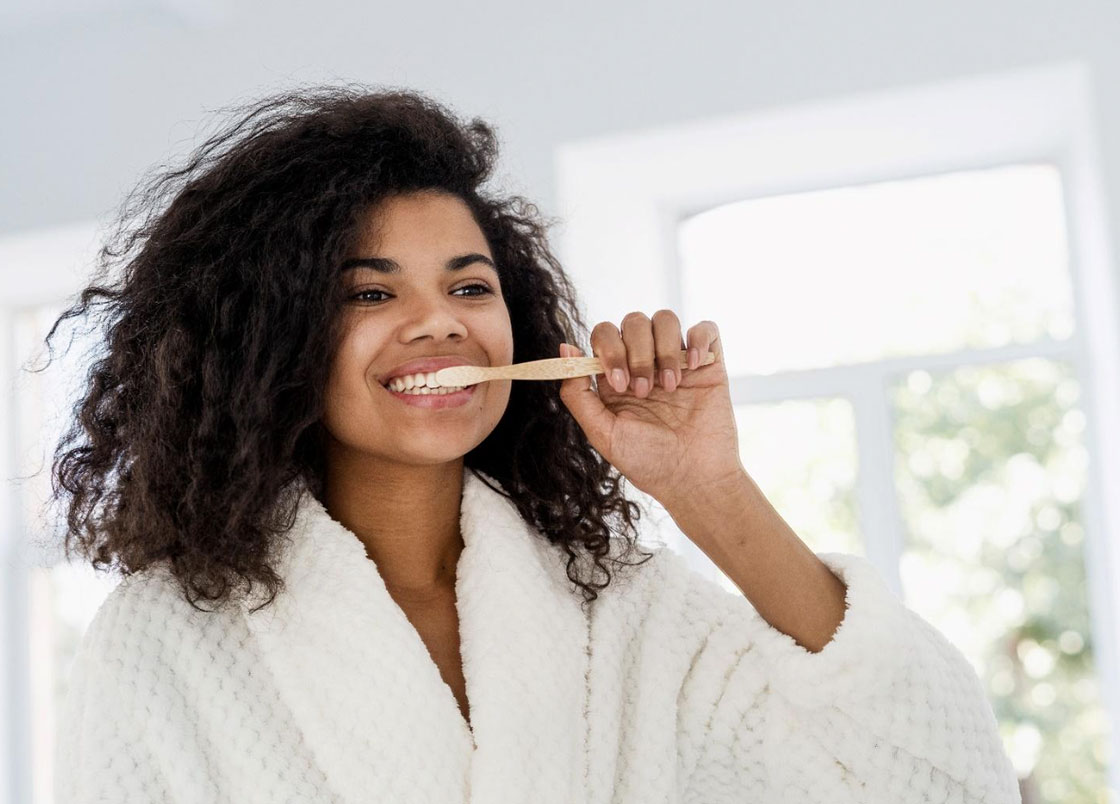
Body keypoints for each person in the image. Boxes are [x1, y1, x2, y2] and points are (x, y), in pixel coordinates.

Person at [45, 85, 1020, 803]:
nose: (440, 323)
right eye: (371, 292)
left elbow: (932, 780)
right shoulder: (164, 644)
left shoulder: (616, 607)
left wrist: (706, 487)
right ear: (269, 338)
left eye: (470, 287)